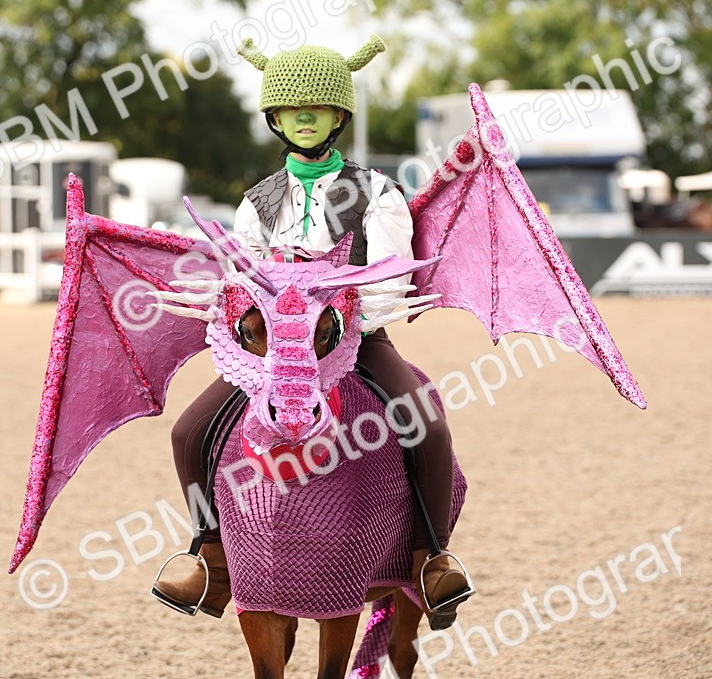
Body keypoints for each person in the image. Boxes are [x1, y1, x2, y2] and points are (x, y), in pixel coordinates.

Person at [152, 35, 472, 628]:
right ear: (274, 117)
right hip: (272, 350)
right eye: (293, 109)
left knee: (425, 423)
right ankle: (211, 557)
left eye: (317, 107)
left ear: (338, 116)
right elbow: (239, 276)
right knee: (188, 432)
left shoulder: (377, 193)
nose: (304, 117)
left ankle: (433, 558)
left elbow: (391, 282)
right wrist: (253, 320)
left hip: (354, 341)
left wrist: (341, 317)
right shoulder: (255, 202)